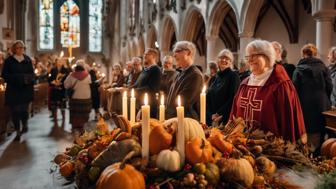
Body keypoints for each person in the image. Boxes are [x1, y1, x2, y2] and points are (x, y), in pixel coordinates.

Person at [231, 39, 306, 143]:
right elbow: (234, 115)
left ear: (267, 56)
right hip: (241, 145)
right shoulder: (245, 84)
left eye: (254, 55)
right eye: (248, 57)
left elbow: (287, 122)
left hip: (270, 149)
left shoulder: (280, 84)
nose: (250, 60)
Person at [293, 44, 332, 151]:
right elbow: (329, 86)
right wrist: (325, 99)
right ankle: (318, 154)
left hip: (304, 104)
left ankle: (307, 154)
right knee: (321, 130)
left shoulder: (298, 69)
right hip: (322, 103)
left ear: (303, 54)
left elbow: (294, 90)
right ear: (315, 54)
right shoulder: (324, 68)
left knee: (306, 130)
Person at [1, 40, 35, 141]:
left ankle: (24, 124)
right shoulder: (9, 61)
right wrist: (18, 77)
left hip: (25, 89)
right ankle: (17, 131)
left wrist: (27, 78)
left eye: (22, 48)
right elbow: (4, 75)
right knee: (15, 111)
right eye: (18, 48)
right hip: (13, 90)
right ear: (14, 49)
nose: (20, 49)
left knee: (24, 111)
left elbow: (32, 74)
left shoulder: (27, 59)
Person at [166, 41, 204, 120]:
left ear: (188, 53)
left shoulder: (195, 75)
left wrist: (168, 116)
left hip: (186, 120)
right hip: (174, 118)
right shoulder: (180, 73)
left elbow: (184, 101)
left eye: (177, 51)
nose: (174, 55)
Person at [206, 49, 240, 126]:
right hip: (210, 117)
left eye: (227, 58)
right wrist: (209, 114)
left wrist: (219, 113)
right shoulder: (214, 77)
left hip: (224, 117)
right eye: (221, 57)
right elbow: (207, 96)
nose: (223, 60)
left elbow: (233, 98)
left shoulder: (233, 76)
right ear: (217, 60)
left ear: (231, 62)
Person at [64, 60, 92, 132]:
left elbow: (66, 85)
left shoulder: (71, 75)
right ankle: (82, 126)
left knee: (75, 114)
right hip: (86, 97)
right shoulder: (88, 75)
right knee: (83, 114)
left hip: (75, 98)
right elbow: (90, 84)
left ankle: (75, 126)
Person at [133, 48, 162, 117]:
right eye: (144, 54)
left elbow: (152, 88)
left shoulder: (156, 70)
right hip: (141, 102)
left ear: (154, 57)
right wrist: (127, 89)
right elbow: (137, 84)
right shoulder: (145, 69)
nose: (144, 56)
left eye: (147, 54)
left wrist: (134, 91)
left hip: (150, 104)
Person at [48, 57, 70, 124]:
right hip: (54, 89)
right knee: (54, 105)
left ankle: (63, 119)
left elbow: (68, 78)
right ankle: (55, 119)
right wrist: (52, 82)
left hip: (62, 90)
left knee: (62, 105)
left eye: (61, 61)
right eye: (58, 61)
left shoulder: (66, 70)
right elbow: (49, 78)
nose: (60, 62)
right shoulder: (53, 70)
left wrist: (62, 83)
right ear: (56, 62)